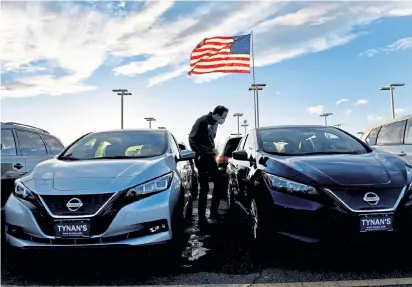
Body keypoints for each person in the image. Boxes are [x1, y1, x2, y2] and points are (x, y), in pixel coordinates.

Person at [188, 105, 229, 227]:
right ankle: (201, 218)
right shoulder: (202, 121)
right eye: (223, 117)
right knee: (204, 187)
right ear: (216, 115)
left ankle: (213, 212)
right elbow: (192, 138)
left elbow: (210, 139)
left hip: (210, 156)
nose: (224, 120)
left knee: (219, 183)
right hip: (202, 157)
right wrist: (199, 154)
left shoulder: (215, 123)